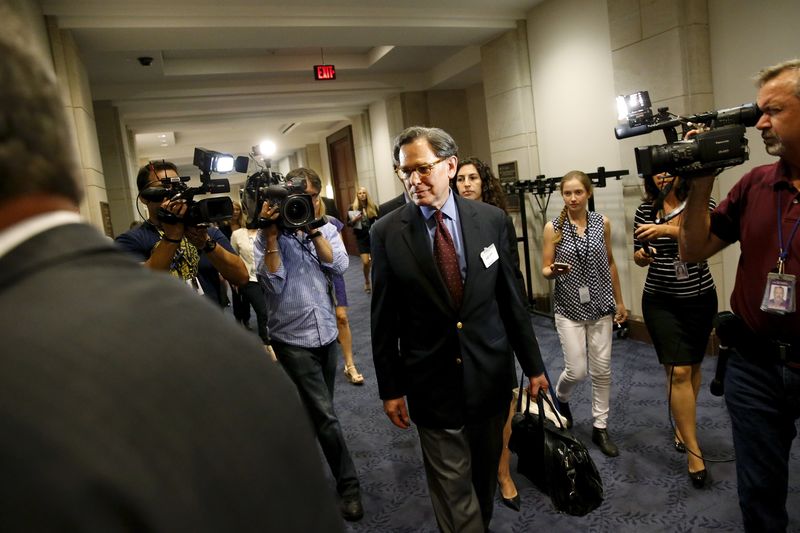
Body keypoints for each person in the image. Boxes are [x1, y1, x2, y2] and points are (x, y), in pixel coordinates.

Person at [0, 11, 343, 531]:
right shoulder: (132, 241)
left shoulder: (208, 250)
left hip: (215, 336)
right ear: (143, 200)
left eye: (174, 189)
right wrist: (171, 234)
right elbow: (140, 281)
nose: (171, 200)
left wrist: (204, 237)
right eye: (160, 193)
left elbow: (240, 275)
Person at [370, 126, 548, 532]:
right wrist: (391, 387)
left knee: (481, 485)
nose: (414, 180)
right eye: (405, 172)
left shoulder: (492, 221)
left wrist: (534, 366)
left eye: (422, 168)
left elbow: (511, 302)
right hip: (430, 382)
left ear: (450, 166)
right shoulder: (386, 232)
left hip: (489, 375)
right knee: (453, 494)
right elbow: (383, 319)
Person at [679, 59, 800, 532]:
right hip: (754, 366)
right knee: (760, 489)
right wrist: (702, 177)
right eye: (758, 111)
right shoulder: (756, 184)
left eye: (773, 111)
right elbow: (692, 249)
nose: (761, 122)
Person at [254, 168, 364, 521]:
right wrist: (272, 238)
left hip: (327, 335)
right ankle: (350, 486)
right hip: (292, 339)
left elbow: (339, 265)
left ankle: (287, 469)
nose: (308, 203)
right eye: (302, 198)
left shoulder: (327, 228)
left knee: (316, 411)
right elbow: (271, 284)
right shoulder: (268, 235)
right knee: (327, 416)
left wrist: (314, 229)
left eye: (314, 197)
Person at [633, 172, 717, 487]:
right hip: (660, 301)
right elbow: (638, 254)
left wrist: (665, 229)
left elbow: (704, 234)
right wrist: (641, 255)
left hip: (699, 296)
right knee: (678, 372)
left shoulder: (701, 201)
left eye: (667, 168)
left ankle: (684, 426)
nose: (662, 175)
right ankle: (695, 452)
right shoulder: (644, 210)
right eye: (655, 171)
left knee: (694, 367)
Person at [454, 156, 526, 511]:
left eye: (473, 178)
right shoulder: (445, 226)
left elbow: (512, 277)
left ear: (484, 184)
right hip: (463, 334)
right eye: (461, 179)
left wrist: (519, 327)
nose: (466, 184)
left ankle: (502, 472)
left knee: (504, 403)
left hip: (497, 329)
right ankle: (473, 467)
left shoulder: (498, 223)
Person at [542, 170, 628, 457]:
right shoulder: (552, 227)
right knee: (577, 370)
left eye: (578, 192)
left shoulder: (601, 222)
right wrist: (552, 271)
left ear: (588, 193)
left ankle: (600, 427)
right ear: (562, 196)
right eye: (567, 193)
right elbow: (545, 267)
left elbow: (611, 262)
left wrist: (619, 301)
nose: (573, 198)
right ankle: (561, 398)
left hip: (601, 305)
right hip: (568, 307)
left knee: (602, 371)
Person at [115, 162, 248, 304]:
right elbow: (140, 286)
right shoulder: (131, 240)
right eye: (163, 188)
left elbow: (241, 277)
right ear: (144, 197)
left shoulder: (206, 232)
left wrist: (207, 245)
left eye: (177, 187)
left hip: (210, 321)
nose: (174, 194)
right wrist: (172, 237)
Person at [229, 219, 273, 355]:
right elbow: (233, 257)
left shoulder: (266, 231)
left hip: (268, 277)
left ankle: (275, 339)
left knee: (272, 311)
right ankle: (266, 343)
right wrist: (234, 278)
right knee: (262, 310)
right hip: (250, 279)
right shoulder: (237, 234)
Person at [220, 201, 251, 327]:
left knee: (247, 294)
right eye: (233, 210)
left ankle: (247, 319)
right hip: (231, 263)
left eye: (237, 209)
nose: (235, 212)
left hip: (246, 263)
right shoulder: (223, 228)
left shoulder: (245, 226)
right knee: (236, 294)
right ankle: (238, 319)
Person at [347, 186, 378, 293]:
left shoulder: (372, 206)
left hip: (373, 237)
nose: (362, 195)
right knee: (365, 262)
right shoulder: (352, 208)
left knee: (375, 262)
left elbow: (379, 219)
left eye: (364, 193)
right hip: (361, 238)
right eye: (360, 193)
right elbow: (348, 224)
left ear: (366, 194)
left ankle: (376, 281)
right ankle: (366, 281)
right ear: (357, 195)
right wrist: (354, 219)